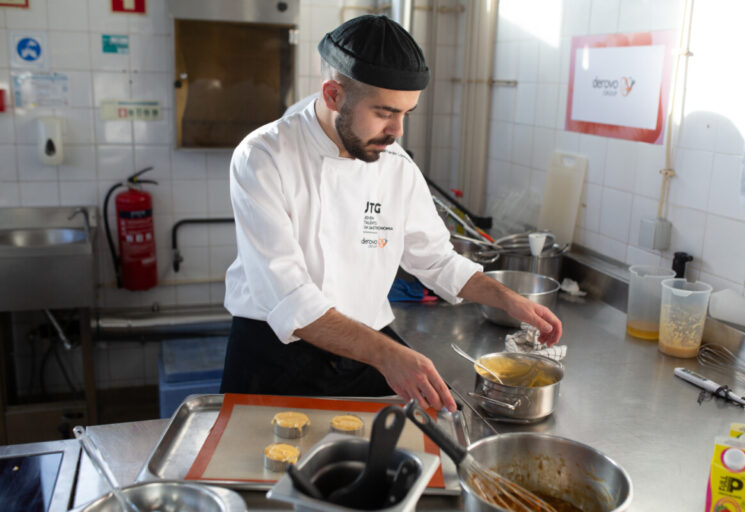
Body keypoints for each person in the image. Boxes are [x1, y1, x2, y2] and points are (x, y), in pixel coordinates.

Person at [220, 15, 562, 412]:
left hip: (366, 350)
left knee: (401, 459)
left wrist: (508, 299)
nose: (398, 131)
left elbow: (435, 258)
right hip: (274, 357)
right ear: (333, 95)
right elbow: (291, 301)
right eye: (384, 113)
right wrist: (386, 355)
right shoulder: (264, 157)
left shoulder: (395, 163)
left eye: (406, 113)